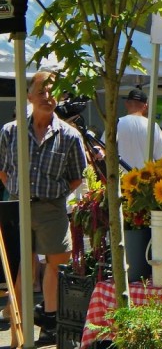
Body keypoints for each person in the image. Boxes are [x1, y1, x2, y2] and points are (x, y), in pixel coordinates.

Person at [0, 71, 88, 344]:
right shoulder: (11, 131)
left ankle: (50, 318)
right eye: (41, 92)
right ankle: (21, 326)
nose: (48, 97)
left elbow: (77, 175)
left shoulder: (69, 135)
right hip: (18, 207)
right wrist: (16, 189)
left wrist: (57, 193)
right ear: (29, 96)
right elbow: (2, 169)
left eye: (52, 92)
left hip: (51, 207)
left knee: (56, 263)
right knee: (22, 266)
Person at [113, 86, 162, 170]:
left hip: (122, 178)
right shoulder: (153, 126)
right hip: (146, 178)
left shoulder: (117, 124)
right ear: (145, 106)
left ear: (126, 104)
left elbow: (103, 148)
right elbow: (161, 156)